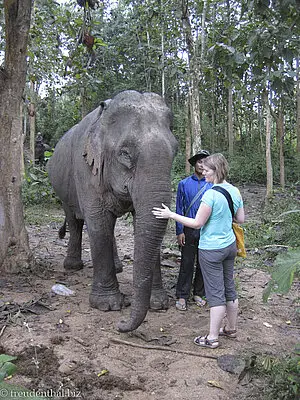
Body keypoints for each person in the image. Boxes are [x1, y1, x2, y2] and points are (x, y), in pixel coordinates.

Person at [152, 153, 245, 349]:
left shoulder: (210, 193)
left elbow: (196, 223)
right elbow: (241, 219)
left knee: (216, 294)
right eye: (202, 169)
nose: (204, 172)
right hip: (229, 246)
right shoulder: (234, 190)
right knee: (229, 287)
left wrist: (170, 215)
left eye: (207, 169)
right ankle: (231, 328)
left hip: (211, 248)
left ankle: (212, 337)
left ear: (216, 171)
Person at [175, 150, 213, 311]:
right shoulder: (183, 184)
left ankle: (198, 293)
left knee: (203, 263)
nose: (201, 164)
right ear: (194, 164)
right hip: (189, 229)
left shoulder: (212, 184)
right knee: (187, 262)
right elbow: (179, 208)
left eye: (205, 161)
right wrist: (179, 231)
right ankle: (182, 295)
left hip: (207, 230)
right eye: (199, 161)